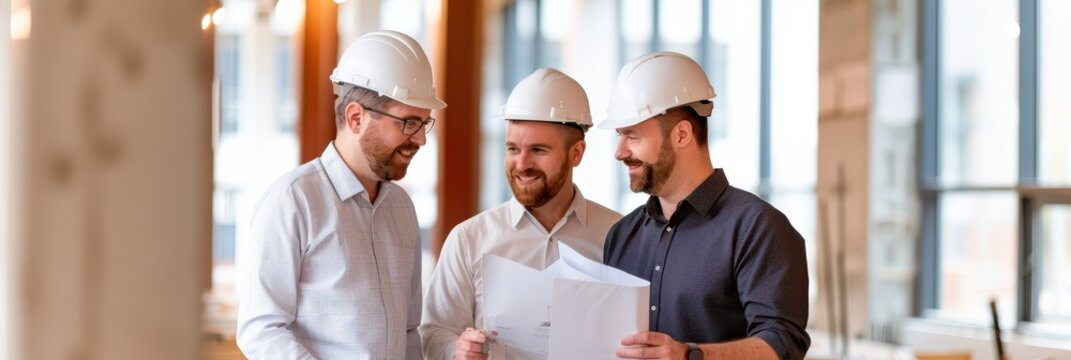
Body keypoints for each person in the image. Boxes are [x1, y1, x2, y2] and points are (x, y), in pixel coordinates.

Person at [236, 30, 446, 359]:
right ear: (356, 117)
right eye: (408, 123)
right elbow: (261, 330)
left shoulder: (402, 207)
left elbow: (408, 331)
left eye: (424, 123)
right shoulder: (293, 201)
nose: (420, 140)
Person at [599, 52, 810, 360]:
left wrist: (690, 355)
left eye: (632, 136)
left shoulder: (758, 228)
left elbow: (782, 344)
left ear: (682, 134)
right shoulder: (621, 236)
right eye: (620, 137)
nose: (619, 152)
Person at [420, 68, 622, 360]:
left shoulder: (618, 235)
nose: (522, 163)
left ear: (576, 153)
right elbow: (433, 331)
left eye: (538, 150)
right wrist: (457, 350)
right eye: (513, 148)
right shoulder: (469, 239)